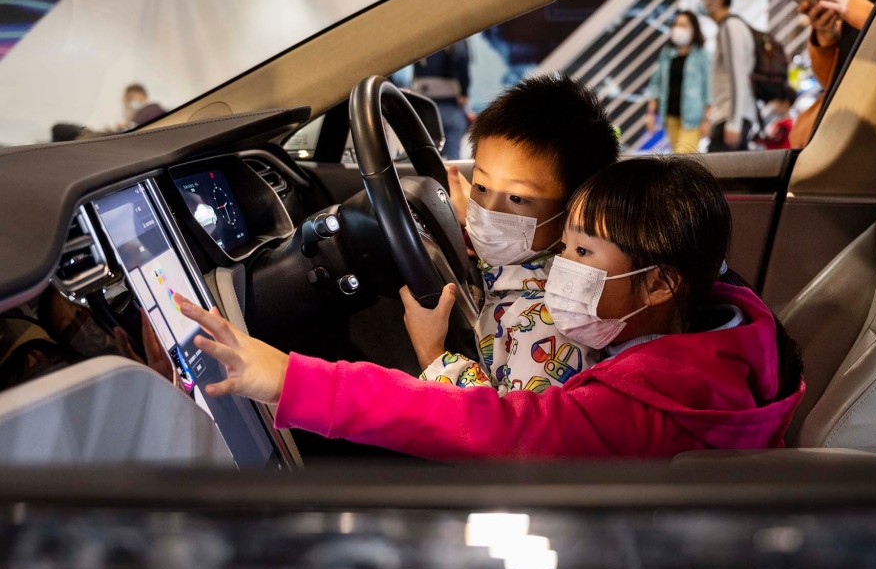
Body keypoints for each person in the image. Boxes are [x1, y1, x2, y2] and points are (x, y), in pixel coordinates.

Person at [174, 156, 805, 460]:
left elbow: (496, 427)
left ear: (661, 285)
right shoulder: (733, 331)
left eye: (583, 250)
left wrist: (289, 377)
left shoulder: (636, 411)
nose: (563, 262)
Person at [412, 75, 619, 395]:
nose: (489, 212)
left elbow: (509, 434)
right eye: (481, 187)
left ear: (574, 212)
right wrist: (467, 232)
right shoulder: (515, 259)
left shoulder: (556, 321)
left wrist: (434, 355)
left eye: (518, 198)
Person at [789, 0, 876, 148]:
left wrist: (865, 16)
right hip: (840, 130)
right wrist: (826, 36)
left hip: (875, 133)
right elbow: (833, 79)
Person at [700, 0, 758, 153]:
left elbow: (737, 76)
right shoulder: (728, 27)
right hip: (728, 116)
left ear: (718, 0)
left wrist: (734, 123)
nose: (702, 1)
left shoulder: (730, 27)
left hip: (731, 118)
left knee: (717, 174)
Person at [644, 10, 711, 154]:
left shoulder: (702, 55)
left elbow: (708, 90)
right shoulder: (667, 53)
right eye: (675, 24)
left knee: (682, 157)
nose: (678, 28)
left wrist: (706, 120)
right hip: (670, 116)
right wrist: (650, 113)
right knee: (676, 157)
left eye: (683, 25)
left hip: (692, 119)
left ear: (693, 29)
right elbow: (655, 83)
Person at [412, 41, 474, 159]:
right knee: (452, 156)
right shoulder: (453, 36)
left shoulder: (418, 39)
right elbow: (461, 56)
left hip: (423, 107)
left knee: (427, 156)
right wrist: (464, 92)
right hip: (450, 104)